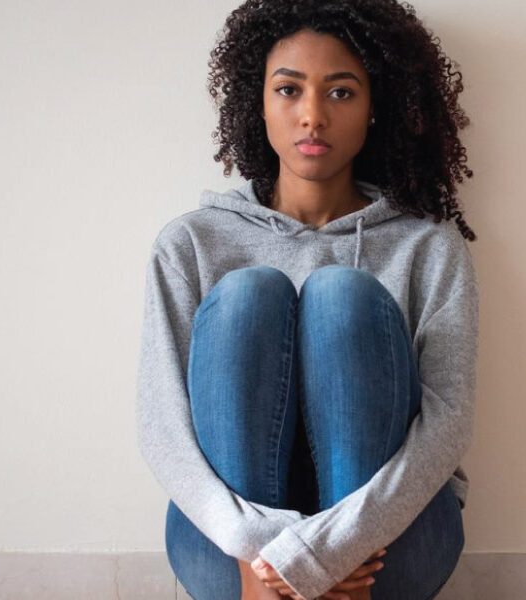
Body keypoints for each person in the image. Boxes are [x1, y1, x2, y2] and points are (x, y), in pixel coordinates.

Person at [135, 1, 480, 598]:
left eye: (341, 93)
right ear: (258, 102)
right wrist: (259, 551)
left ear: (376, 107)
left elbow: (448, 423)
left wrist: (338, 548)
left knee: (343, 298)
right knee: (247, 295)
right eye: (288, 90)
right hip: (233, 550)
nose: (312, 116)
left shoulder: (427, 245)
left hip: (384, 546)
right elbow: (160, 424)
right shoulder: (192, 242)